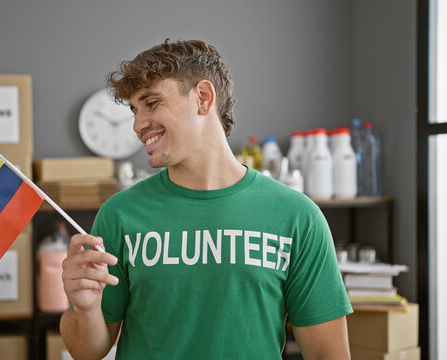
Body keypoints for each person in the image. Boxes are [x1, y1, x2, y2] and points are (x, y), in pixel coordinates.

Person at [60, 39, 353, 359]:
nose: (138, 125)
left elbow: (328, 354)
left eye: (152, 103)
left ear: (202, 97)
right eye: (134, 110)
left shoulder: (297, 216)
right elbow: (86, 352)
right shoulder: (119, 214)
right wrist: (84, 309)